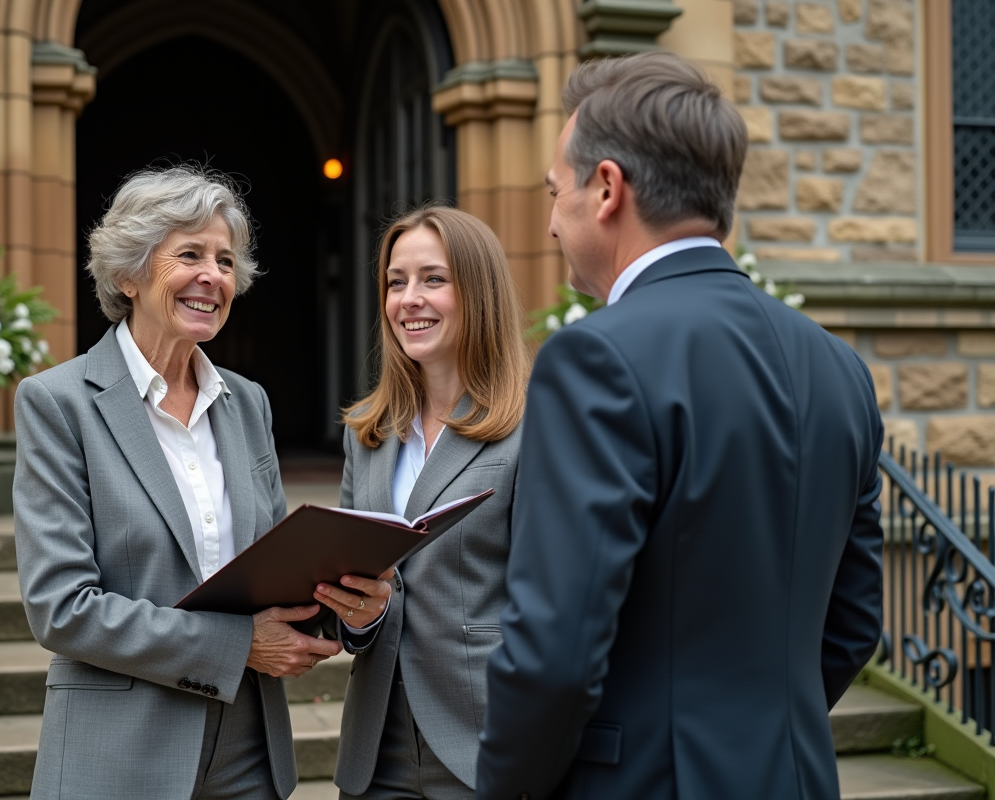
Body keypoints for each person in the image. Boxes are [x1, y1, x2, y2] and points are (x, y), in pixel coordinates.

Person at [476, 53, 885, 800]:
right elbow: (853, 624)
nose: (549, 222)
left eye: (553, 191)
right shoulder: (838, 368)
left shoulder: (595, 357)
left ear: (606, 188)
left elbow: (556, 656)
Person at [13, 165, 343, 800]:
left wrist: (344, 608)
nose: (212, 276)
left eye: (224, 260)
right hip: (120, 753)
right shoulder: (58, 403)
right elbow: (62, 609)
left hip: (249, 747)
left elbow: (275, 569)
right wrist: (240, 645)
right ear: (128, 274)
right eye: (189, 254)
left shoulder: (247, 403)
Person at [314, 206, 530, 800]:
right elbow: (350, 598)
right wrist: (359, 614)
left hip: (486, 740)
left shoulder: (533, 427)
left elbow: (554, 602)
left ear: (478, 291)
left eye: (434, 279)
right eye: (396, 281)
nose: (409, 298)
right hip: (376, 746)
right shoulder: (369, 433)